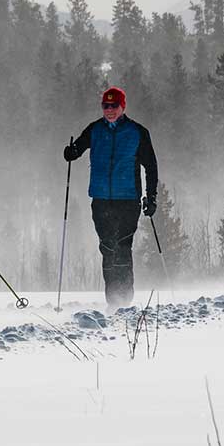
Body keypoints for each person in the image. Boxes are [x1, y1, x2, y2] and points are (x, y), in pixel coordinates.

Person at [61, 87, 159, 309]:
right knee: (107, 247)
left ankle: (124, 298)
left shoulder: (137, 132)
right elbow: (78, 148)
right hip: (101, 199)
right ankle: (113, 300)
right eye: (106, 106)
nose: (110, 110)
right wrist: (71, 152)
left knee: (123, 246)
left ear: (123, 106)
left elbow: (151, 166)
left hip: (128, 199)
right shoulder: (95, 130)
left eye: (114, 106)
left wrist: (150, 197)